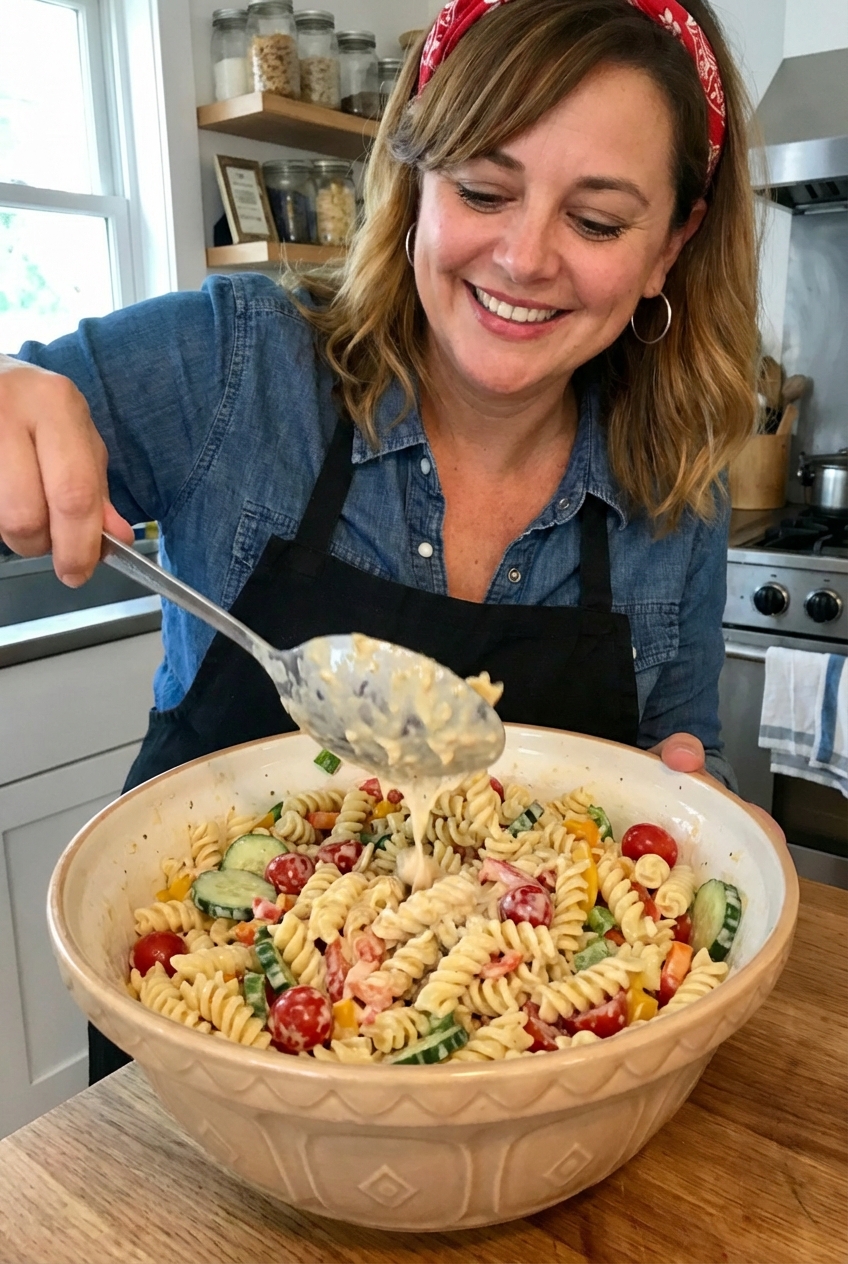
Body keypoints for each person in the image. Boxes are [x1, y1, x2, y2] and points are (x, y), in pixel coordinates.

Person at [0, 0, 760, 1082]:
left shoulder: (672, 493)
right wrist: (12, 396)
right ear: (414, 181)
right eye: (483, 189)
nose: (525, 255)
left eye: (595, 221)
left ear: (667, 248)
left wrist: (696, 808)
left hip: (528, 1103)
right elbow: (21, 419)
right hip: (188, 1071)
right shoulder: (235, 367)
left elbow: (681, 762)